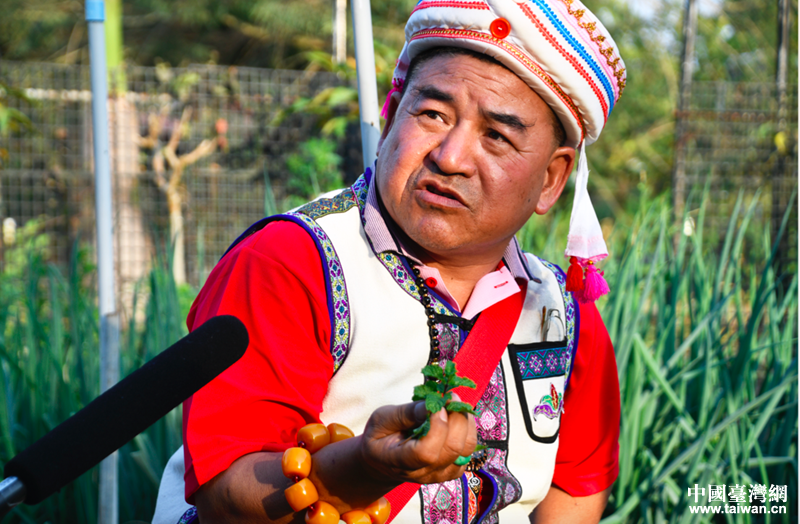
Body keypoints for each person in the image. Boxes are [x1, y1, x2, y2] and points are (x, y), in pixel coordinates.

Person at [152, 0, 626, 523]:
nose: (450, 156)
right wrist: (362, 467)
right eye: (432, 114)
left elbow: (575, 491)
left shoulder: (565, 316)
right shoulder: (292, 263)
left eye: (496, 135)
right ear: (392, 110)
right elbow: (225, 495)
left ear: (552, 179)